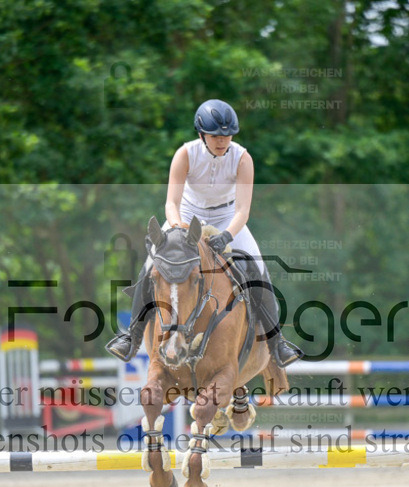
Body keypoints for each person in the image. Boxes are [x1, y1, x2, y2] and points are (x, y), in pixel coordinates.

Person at [106, 99, 303, 367]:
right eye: (215, 136)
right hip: (186, 216)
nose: (222, 141)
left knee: (257, 268)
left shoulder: (242, 158)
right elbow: (171, 204)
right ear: (202, 134)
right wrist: (178, 230)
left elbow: (243, 209)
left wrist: (227, 236)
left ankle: (276, 342)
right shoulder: (185, 154)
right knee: (151, 264)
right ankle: (131, 336)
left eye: (227, 135)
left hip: (227, 218)